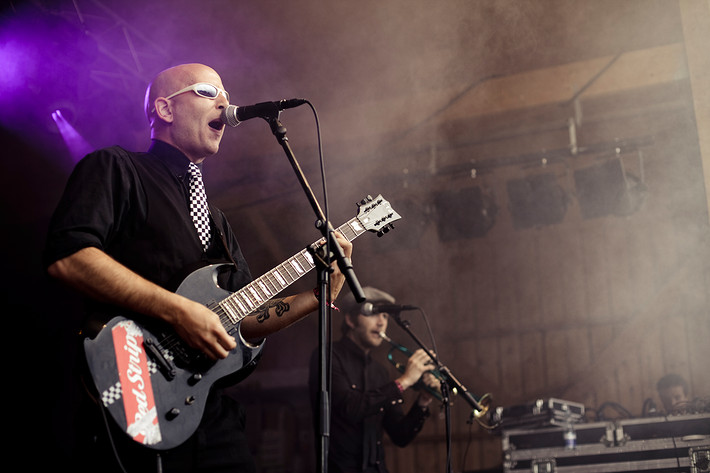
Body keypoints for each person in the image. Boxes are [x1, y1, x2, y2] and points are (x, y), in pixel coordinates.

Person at [43, 63, 353, 473]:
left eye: (226, 92)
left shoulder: (217, 220)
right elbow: (70, 256)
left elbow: (241, 318)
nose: (226, 102)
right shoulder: (116, 168)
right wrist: (177, 311)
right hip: (132, 394)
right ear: (165, 109)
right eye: (208, 91)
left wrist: (316, 298)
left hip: (206, 411)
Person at [309, 286, 437, 473]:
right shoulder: (327, 356)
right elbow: (350, 408)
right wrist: (404, 382)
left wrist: (423, 401)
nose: (381, 323)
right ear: (350, 320)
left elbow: (400, 436)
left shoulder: (380, 372)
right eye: (374, 313)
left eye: (385, 316)